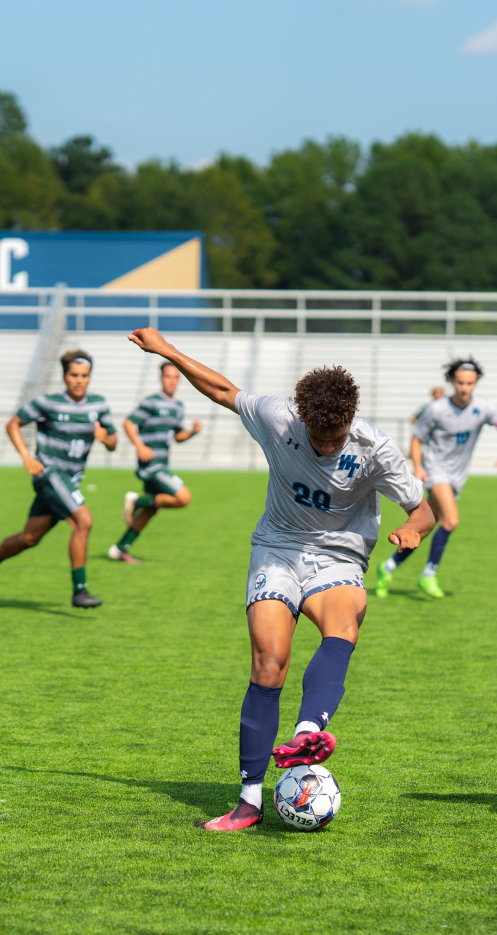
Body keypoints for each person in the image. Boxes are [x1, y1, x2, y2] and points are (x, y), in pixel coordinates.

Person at [127, 326, 435, 831]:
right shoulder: (278, 418)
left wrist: (411, 531)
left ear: (350, 422)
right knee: (269, 662)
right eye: (318, 437)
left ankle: (309, 732)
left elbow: (424, 511)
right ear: (303, 420)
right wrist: (169, 352)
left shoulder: (375, 448)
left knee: (344, 624)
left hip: (339, 557)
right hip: (278, 548)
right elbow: (226, 392)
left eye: (335, 439)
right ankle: (249, 802)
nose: (326, 446)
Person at [375, 358, 497, 600]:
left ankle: (388, 567)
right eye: (460, 382)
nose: (465, 388)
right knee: (450, 521)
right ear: (451, 381)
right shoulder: (436, 409)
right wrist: (418, 467)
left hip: (457, 477)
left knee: (427, 526)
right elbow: (417, 438)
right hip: (436, 472)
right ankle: (429, 574)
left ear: (476, 383)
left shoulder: (484, 407)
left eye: (470, 383)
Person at [0, 349, 117, 608]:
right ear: (64, 376)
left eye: (84, 376)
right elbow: (13, 424)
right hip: (49, 474)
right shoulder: (48, 403)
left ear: (90, 378)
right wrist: (26, 456)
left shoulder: (99, 405)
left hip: (69, 481)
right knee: (83, 521)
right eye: (74, 375)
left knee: (29, 538)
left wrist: (105, 438)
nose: (79, 380)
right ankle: (80, 591)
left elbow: (113, 442)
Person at [108, 363, 201, 564]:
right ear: (161, 378)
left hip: (162, 464)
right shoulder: (151, 402)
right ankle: (135, 500)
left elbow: (178, 436)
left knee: (150, 510)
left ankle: (120, 548)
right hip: (151, 466)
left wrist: (192, 432)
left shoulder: (178, 407)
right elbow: (128, 422)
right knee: (184, 498)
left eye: (175, 377)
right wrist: (140, 446)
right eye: (168, 376)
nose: (172, 381)